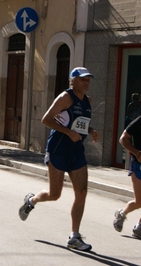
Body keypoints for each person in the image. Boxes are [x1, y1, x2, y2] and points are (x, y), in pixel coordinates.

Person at [18, 67, 99, 251]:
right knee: (55, 194)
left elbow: (81, 123)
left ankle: (74, 237)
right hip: (58, 149)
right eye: (82, 79)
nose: (86, 83)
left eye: (88, 80)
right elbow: (46, 119)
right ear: (73, 80)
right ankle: (31, 201)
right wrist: (68, 132)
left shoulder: (87, 101)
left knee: (82, 192)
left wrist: (91, 131)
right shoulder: (65, 98)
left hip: (76, 151)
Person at [113, 115, 141, 238]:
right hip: (138, 164)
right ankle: (122, 213)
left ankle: (139, 227)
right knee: (139, 201)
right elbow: (123, 139)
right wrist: (137, 153)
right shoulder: (139, 121)